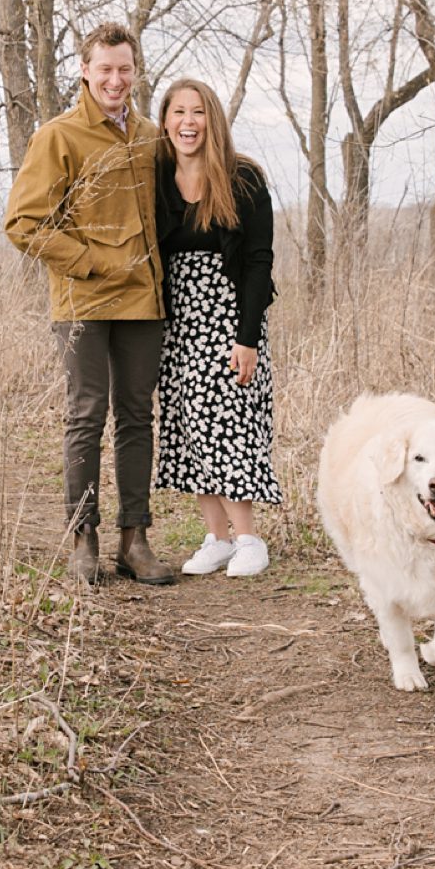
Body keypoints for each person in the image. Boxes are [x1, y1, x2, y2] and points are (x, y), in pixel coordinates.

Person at [3, 23, 176, 587]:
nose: (115, 79)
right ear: (84, 70)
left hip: (145, 302)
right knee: (85, 415)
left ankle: (135, 539)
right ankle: (83, 536)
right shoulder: (59, 136)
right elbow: (24, 224)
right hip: (82, 299)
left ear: (135, 71)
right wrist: (92, 262)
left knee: (136, 417)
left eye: (124, 68)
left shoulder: (151, 136)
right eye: (104, 68)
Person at [152, 77, 280, 578]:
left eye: (198, 112)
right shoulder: (156, 177)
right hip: (176, 321)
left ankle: (249, 538)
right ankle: (218, 538)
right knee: (187, 425)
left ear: (213, 121)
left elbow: (258, 262)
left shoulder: (242, 177)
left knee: (228, 422)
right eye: (179, 112)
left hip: (228, 317)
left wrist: (247, 337)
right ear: (165, 121)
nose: (189, 122)